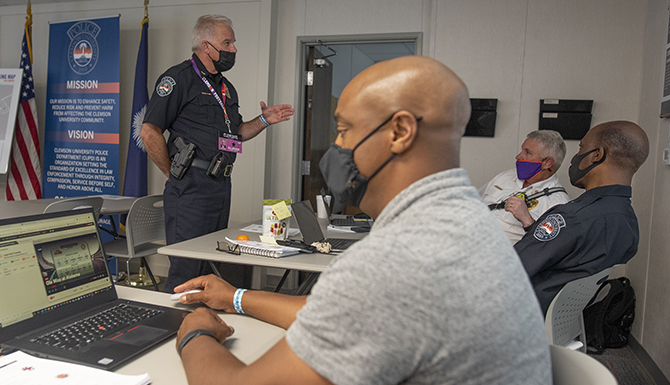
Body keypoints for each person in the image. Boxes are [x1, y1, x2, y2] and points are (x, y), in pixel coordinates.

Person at [172, 56, 551, 385]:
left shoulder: (399, 262)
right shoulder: (464, 221)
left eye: (344, 130)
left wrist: (196, 332)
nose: (336, 149)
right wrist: (235, 297)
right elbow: (347, 312)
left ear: (400, 131)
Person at [140, 15, 294, 292]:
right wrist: (172, 173)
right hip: (190, 186)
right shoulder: (178, 79)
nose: (234, 49)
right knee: (186, 270)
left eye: (233, 43)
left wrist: (264, 119)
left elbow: (236, 134)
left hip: (220, 184)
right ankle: (173, 327)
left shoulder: (225, 88)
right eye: (228, 42)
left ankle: (203, 323)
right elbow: (149, 131)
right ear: (206, 46)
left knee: (210, 264)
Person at [514, 121, 649, 314]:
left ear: (597, 155)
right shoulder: (627, 219)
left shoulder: (573, 218)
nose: (575, 158)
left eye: (581, 149)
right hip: (555, 318)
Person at [478, 130, 570, 244]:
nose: (518, 156)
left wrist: (528, 221)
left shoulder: (558, 203)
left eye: (528, 152)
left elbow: (549, 249)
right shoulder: (507, 175)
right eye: (522, 150)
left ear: (548, 162)